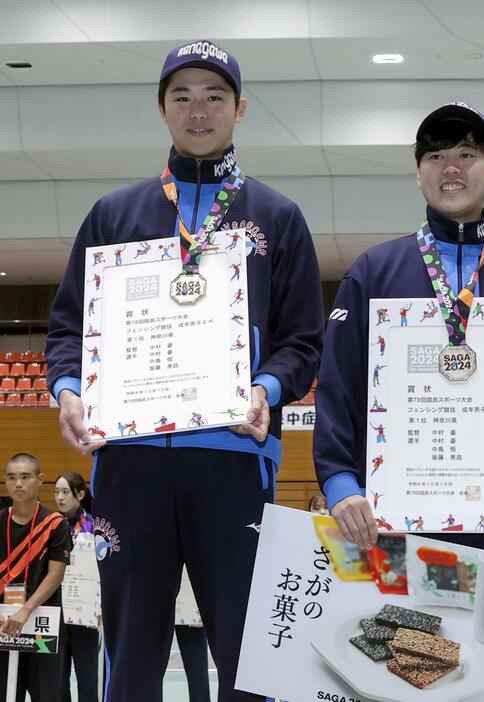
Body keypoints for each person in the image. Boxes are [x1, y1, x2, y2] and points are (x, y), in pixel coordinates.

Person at [45, 39, 323, 701]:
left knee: (246, 656)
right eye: (183, 97)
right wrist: (67, 391)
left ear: (240, 108)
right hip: (130, 462)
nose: (198, 111)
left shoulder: (278, 218)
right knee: (131, 654)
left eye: (214, 97)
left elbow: (303, 340)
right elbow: (67, 330)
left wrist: (267, 386)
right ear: (162, 109)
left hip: (234, 458)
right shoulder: (114, 215)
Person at [313, 102, 484, 701]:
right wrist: (342, 483)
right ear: (418, 172)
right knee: (409, 678)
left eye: (466, 155)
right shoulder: (375, 271)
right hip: (402, 526)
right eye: (435, 156)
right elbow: (339, 388)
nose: (450, 168)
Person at [0, 453, 71, 701]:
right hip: (3, 625)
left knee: (48, 694)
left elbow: (56, 574)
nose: (18, 483)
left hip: (43, 626)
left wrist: (25, 610)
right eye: (11, 477)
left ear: (40, 479)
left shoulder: (54, 523)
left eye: (25, 477)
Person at [54, 471, 100, 702]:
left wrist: (101, 607)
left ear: (80, 494)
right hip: (58, 614)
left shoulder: (95, 527)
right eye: (56, 491)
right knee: (58, 679)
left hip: (87, 617)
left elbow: (104, 574)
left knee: (88, 678)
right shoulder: (52, 527)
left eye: (65, 492)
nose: (59, 497)